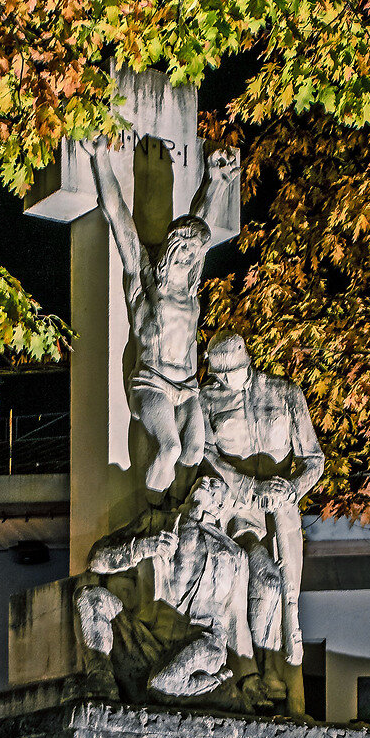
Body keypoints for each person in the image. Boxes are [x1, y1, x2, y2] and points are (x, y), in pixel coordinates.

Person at [86, 139, 239, 495]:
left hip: (186, 388)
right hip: (151, 383)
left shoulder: (190, 290)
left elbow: (203, 225)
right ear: (170, 250)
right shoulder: (143, 281)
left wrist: (214, 182)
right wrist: (101, 157)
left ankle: (179, 513)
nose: (189, 256)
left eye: (193, 252)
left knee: (195, 453)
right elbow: (118, 215)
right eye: (183, 249)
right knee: (170, 448)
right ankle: (153, 512)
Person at [200, 331, 325, 713]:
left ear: (246, 363)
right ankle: (250, 671)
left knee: (286, 595)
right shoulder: (207, 400)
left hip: (281, 512)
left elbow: (314, 460)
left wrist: (291, 488)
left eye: (231, 371)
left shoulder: (285, 394)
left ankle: (272, 670)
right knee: (262, 579)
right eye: (218, 373)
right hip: (235, 511)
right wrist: (244, 485)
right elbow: (204, 453)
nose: (224, 380)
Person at [74, 474, 277, 708]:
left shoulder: (234, 554)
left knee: (164, 683)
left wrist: (250, 678)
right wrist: (142, 547)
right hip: (147, 640)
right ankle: (101, 683)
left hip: (201, 646)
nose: (206, 481)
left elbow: (237, 619)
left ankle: (213, 684)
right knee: (90, 597)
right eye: (203, 480)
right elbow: (96, 560)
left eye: (215, 485)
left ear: (222, 505)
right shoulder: (155, 521)